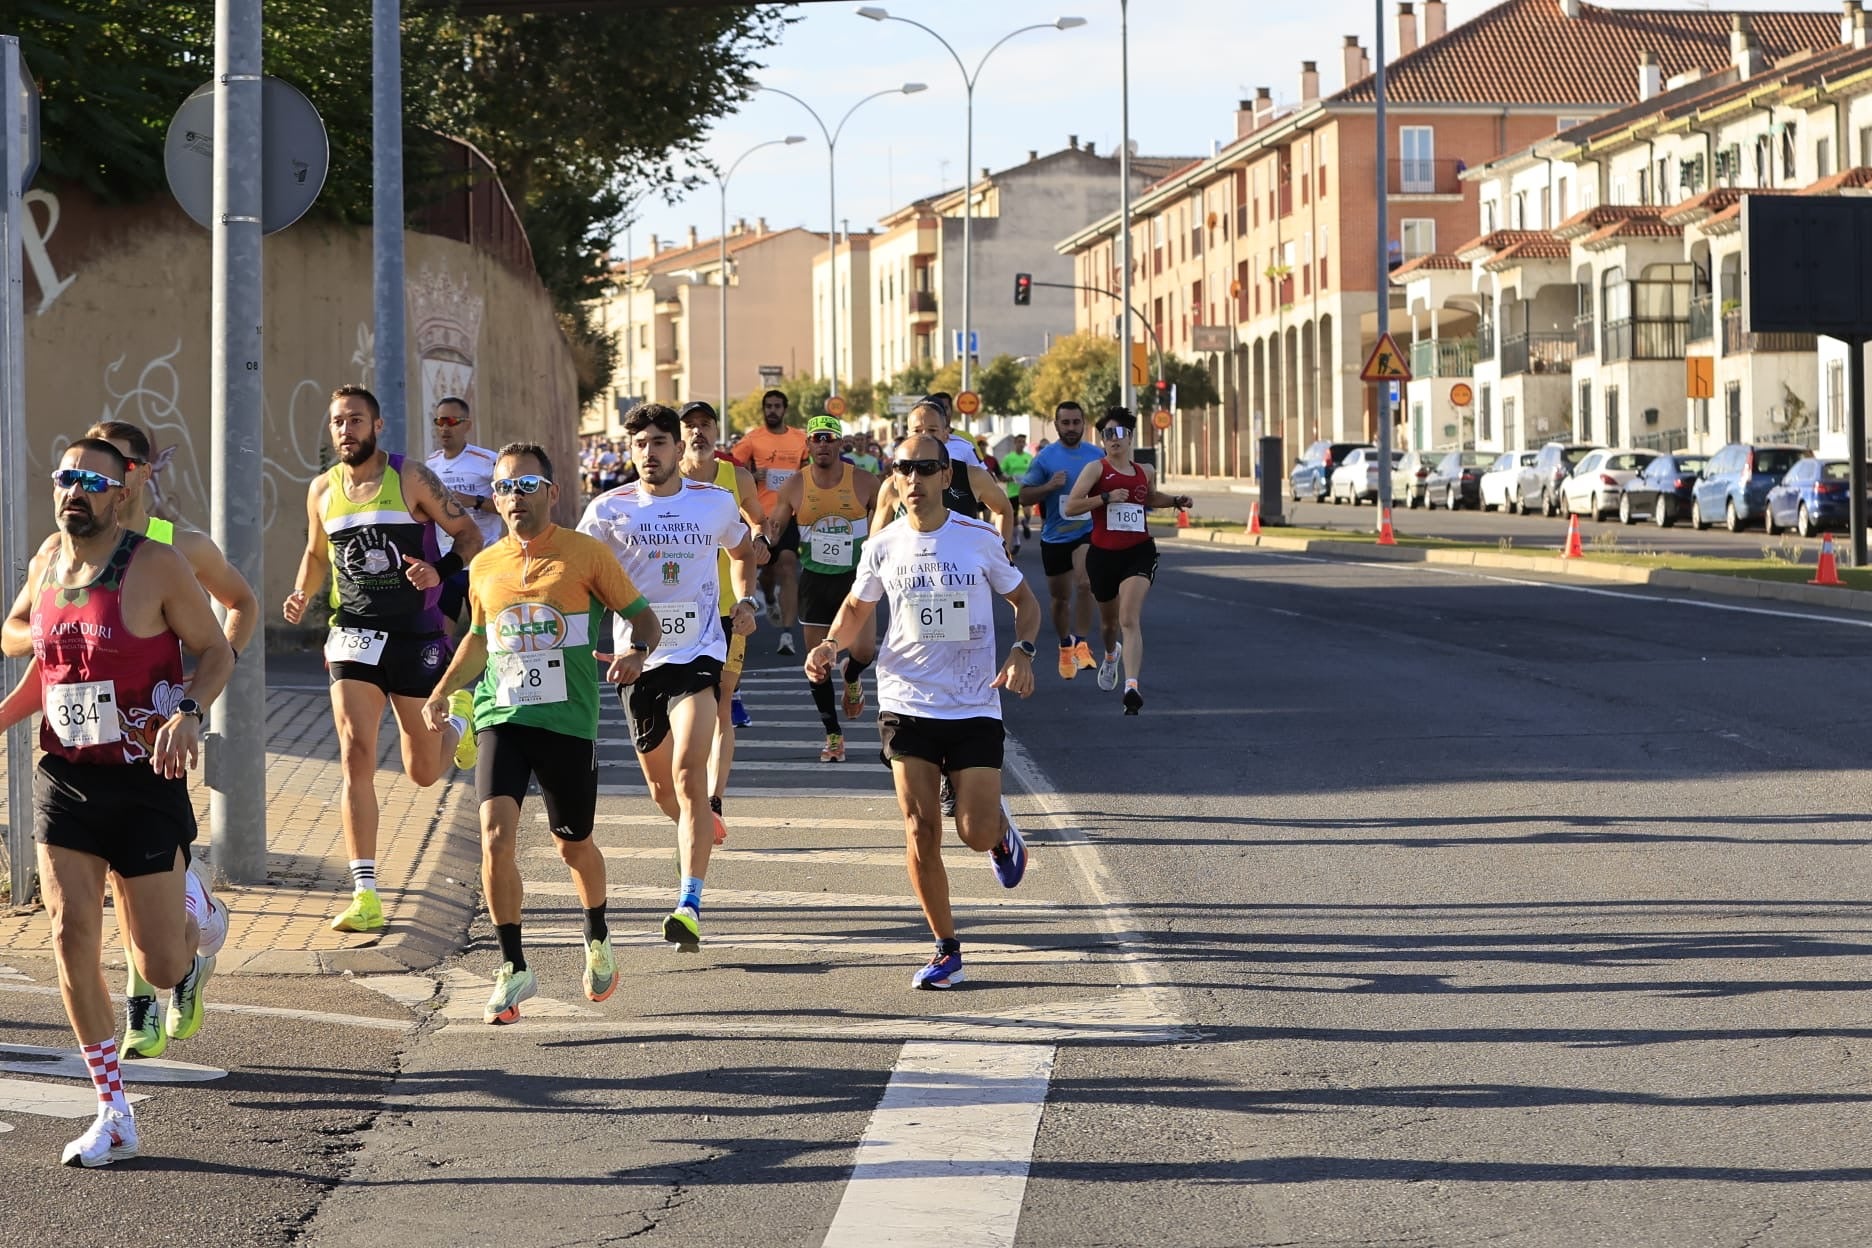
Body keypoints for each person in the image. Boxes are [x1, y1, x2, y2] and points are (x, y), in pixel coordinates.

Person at [0, 439, 235, 1166]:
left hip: (145, 779)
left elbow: (216, 649)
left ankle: (201, 922)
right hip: (66, 775)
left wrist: (189, 712)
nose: (76, 492)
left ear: (122, 493)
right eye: (67, 477)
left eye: (93, 482)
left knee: (160, 966)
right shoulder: (46, 562)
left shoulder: (156, 564)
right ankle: (113, 1109)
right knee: (70, 932)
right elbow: (34, 655)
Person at [422, 443, 658, 1023]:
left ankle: (598, 935)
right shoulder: (485, 564)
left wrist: (637, 653)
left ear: (553, 492)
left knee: (571, 843)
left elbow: (643, 617)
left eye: (526, 486)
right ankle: (513, 967)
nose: (513, 497)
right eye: (504, 487)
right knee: (495, 835)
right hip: (503, 716)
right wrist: (440, 690)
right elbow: (477, 639)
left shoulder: (586, 555)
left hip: (568, 722)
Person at [805, 433, 1041, 989]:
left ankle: (1000, 832)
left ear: (945, 476)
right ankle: (946, 947)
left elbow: (1025, 603)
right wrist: (832, 646)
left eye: (925, 468)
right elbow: (858, 605)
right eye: (903, 468)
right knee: (918, 828)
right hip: (907, 701)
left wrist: (1021, 650)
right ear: (895, 476)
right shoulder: (882, 544)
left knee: (973, 832)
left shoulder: (980, 538)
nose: (913, 479)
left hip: (974, 701)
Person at [284, 384, 485, 932]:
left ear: (377, 426)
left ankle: (461, 719)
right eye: (336, 422)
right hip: (351, 634)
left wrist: (438, 573)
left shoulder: (411, 477)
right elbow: (314, 552)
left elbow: (467, 534)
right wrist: (303, 591)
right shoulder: (322, 490)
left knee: (423, 772)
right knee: (356, 754)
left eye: (355, 420)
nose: (345, 430)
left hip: (417, 636)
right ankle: (365, 891)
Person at [81, 420, 253, 1059]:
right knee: (114, 883)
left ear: (145, 472)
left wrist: (202, 685)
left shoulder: (179, 546)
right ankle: (148, 1001)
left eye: (119, 465)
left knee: (140, 878)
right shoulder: (77, 547)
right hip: (91, 740)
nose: (106, 478)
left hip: (158, 737)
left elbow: (240, 603)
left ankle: (169, 975)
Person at [579, 403, 758, 952]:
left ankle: (689, 902)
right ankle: (697, 824)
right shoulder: (608, 511)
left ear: (679, 449)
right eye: (639, 445)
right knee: (665, 793)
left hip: (698, 654)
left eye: (660, 443)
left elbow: (743, 548)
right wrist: (581, 643)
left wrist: (745, 598)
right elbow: (579, 576)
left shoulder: (714, 503)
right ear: (629, 452)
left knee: (687, 774)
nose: (650, 454)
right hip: (636, 663)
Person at [1062, 406, 1192, 715]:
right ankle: (1111, 655)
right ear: (1102, 439)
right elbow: (1071, 507)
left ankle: (1131, 686)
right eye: (1108, 434)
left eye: (1119, 433)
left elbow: (1148, 497)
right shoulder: (1096, 469)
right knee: (1109, 624)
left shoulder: (1145, 471)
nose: (1114, 439)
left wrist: (1175, 501)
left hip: (1139, 550)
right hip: (1104, 555)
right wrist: (1105, 498)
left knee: (1128, 618)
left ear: (1130, 437)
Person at [766, 415, 879, 762]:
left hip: (855, 580)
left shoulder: (864, 481)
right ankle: (833, 734)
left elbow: (884, 525)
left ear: (841, 443)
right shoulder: (795, 486)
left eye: (830, 438)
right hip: (815, 581)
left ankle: (853, 675)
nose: (824, 444)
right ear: (809, 445)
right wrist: (758, 541)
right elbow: (773, 527)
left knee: (862, 652)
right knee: (816, 664)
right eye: (817, 438)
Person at [677, 401, 767, 823]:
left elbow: (757, 519)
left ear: (716, 431)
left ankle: (713, 799)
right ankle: (684, 781)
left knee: (721, 701)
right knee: (678, 701)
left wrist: (761, 537)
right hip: (678, 606)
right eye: (690, 425)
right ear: (681, 434)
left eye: (705, 424)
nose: (698, 431)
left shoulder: (737, 476)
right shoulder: (668, 479)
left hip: (730, 607)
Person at [1018, 403, 1103, 680]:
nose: (1071, 428)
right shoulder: (1045, 459)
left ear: (1084, 423)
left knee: (1086, 583)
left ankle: (1081, 643)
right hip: (1055, 535)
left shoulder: (1096, 455)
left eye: (1076, 422)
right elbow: (1024, 497)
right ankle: (1065, 644)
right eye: (1065, 423)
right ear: (1056, 425)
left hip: (1087, 530)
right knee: (1060, 598)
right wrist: (1049, 487)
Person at [871, 398, 1016, 552]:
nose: (925, 435)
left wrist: (1002, 554)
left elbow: (1004, 510)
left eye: (932, 430)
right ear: (908, 435)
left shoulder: (972, 477)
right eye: (917, 430)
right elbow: (874, 544)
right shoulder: (893, 485)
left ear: (946, 434)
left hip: (962, 572)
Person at [731, 389, 809, 654]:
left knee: (787, 566)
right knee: (766, 571)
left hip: (789, 515)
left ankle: (787, 635)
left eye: (777, 406)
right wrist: (755, 474)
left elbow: (809, 470)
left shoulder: (800, 439)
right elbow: (731, 469)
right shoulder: (753, 439)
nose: (772, 410)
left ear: (784, 409)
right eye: (768, 406)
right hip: (758, 519)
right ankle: (770, 598)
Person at [424, 396, 505, 639]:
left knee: (486, 637)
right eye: (439, 421)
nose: (444, 428)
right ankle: (442, 675)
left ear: (467, 425)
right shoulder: (431, 462)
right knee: (439, 636)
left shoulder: (488, 461)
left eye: (451, 421)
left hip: (481, 562)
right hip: (447, 561)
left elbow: (511, 505)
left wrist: (474, 501)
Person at [999, 433, 1034, 549]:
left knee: (1028, 513)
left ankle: (1026, 522)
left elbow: (1034, 472)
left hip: (1026, 490)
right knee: (1014, 518)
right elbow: (1001, 474)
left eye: (1023, 442)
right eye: (1019, 442)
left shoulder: (1029, 458)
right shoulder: (1009, 458)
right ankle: (1016, 541)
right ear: (1015, 443)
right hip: (1013, 492)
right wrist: (1008, 478)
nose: (1021, 444)